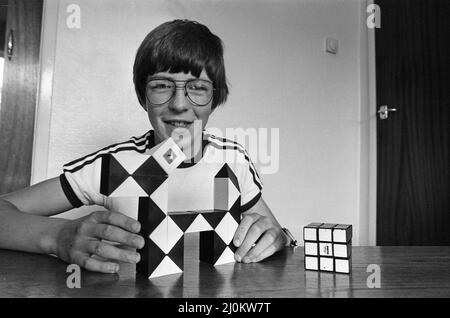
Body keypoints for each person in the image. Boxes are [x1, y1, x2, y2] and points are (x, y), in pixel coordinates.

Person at [0, 20, 293, 274]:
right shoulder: (115, 165)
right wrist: (59, 236)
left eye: (198, 88)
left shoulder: (233, 159)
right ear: (143, 96)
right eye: (162, 86)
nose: (179, 105)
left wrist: (277, 238)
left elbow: (273, 234)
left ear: (215, 99)